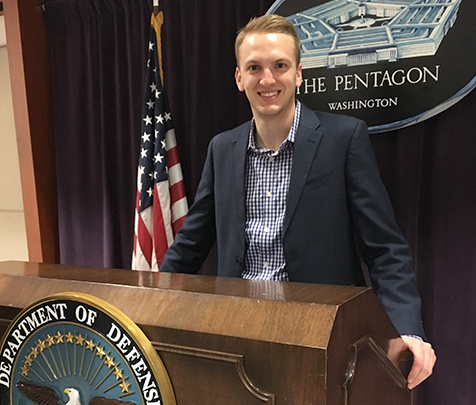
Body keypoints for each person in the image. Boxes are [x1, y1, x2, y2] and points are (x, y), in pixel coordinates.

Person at [161, 14, 436, 388]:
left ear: (299, 73)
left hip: (321, 339)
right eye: (254, 67)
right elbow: (190, 244)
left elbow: (385, 249)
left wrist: (408, 331)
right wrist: (153, 304)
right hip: (236, 337)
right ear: (240, 78)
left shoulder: (343, 139)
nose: (268, 79)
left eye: (280, 66)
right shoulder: (221, 148)